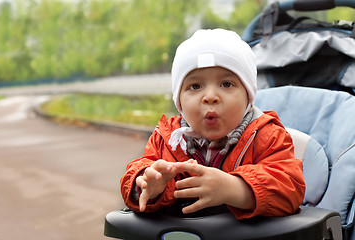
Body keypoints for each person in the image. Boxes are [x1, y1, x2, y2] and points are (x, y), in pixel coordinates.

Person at [120, 28, 305, 219]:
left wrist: (235, 188)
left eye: (226, 84)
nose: (210, 97)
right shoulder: (166, 139)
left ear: (248, 97)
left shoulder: (268, 136)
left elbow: (290, 187)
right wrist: (145, 185)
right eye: (195, 86)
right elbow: (138, 172)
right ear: (179, 101)